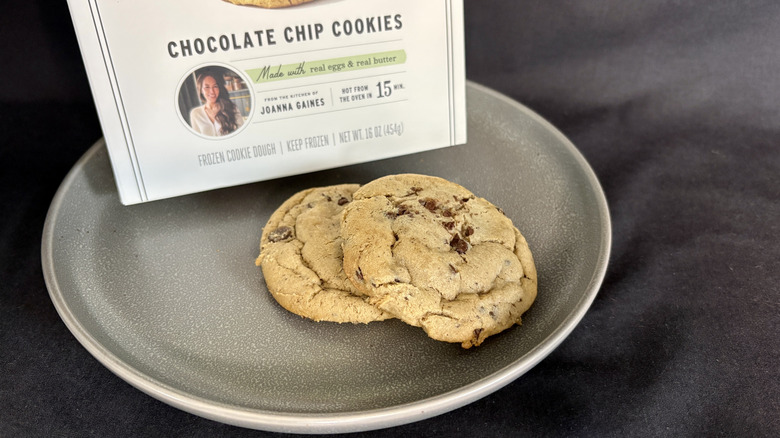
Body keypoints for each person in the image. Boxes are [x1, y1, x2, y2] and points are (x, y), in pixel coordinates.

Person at [189, 70, 244, 136]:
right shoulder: (196, 113)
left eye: (215, 86)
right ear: (201, 90)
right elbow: (198, 139)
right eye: (207, 87)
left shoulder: (232, 108)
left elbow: (242, 133)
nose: (212, 91)